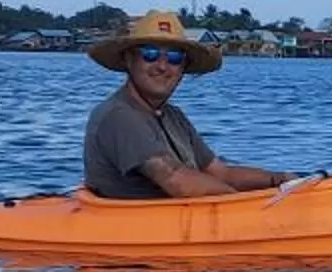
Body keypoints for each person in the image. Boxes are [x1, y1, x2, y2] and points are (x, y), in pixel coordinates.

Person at [81, 10, 296, 199]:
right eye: (150, 54)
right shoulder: (119, 116)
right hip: (137, 230)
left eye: (174, 57)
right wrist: (245, 205)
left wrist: (278, 180)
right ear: (129, 60)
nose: (162, 66)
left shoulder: (173, 116)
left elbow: (221, 174)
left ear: (183, 66)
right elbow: (174, 178)